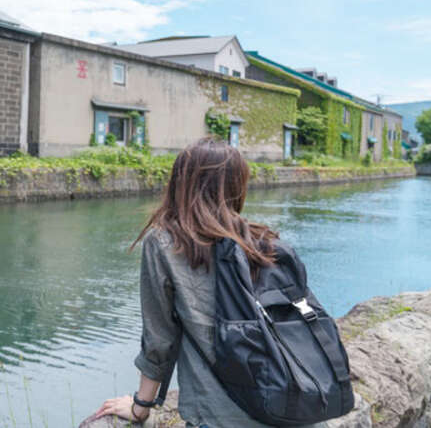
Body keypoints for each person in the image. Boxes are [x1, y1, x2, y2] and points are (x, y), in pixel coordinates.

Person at [94, 138, 326, 427]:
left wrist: (141, 406)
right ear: (237, 186)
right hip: (296, 407)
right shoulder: (263, 241)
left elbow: (160, 338)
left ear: (180, 183)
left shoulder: (165, 242)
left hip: (223, 416)